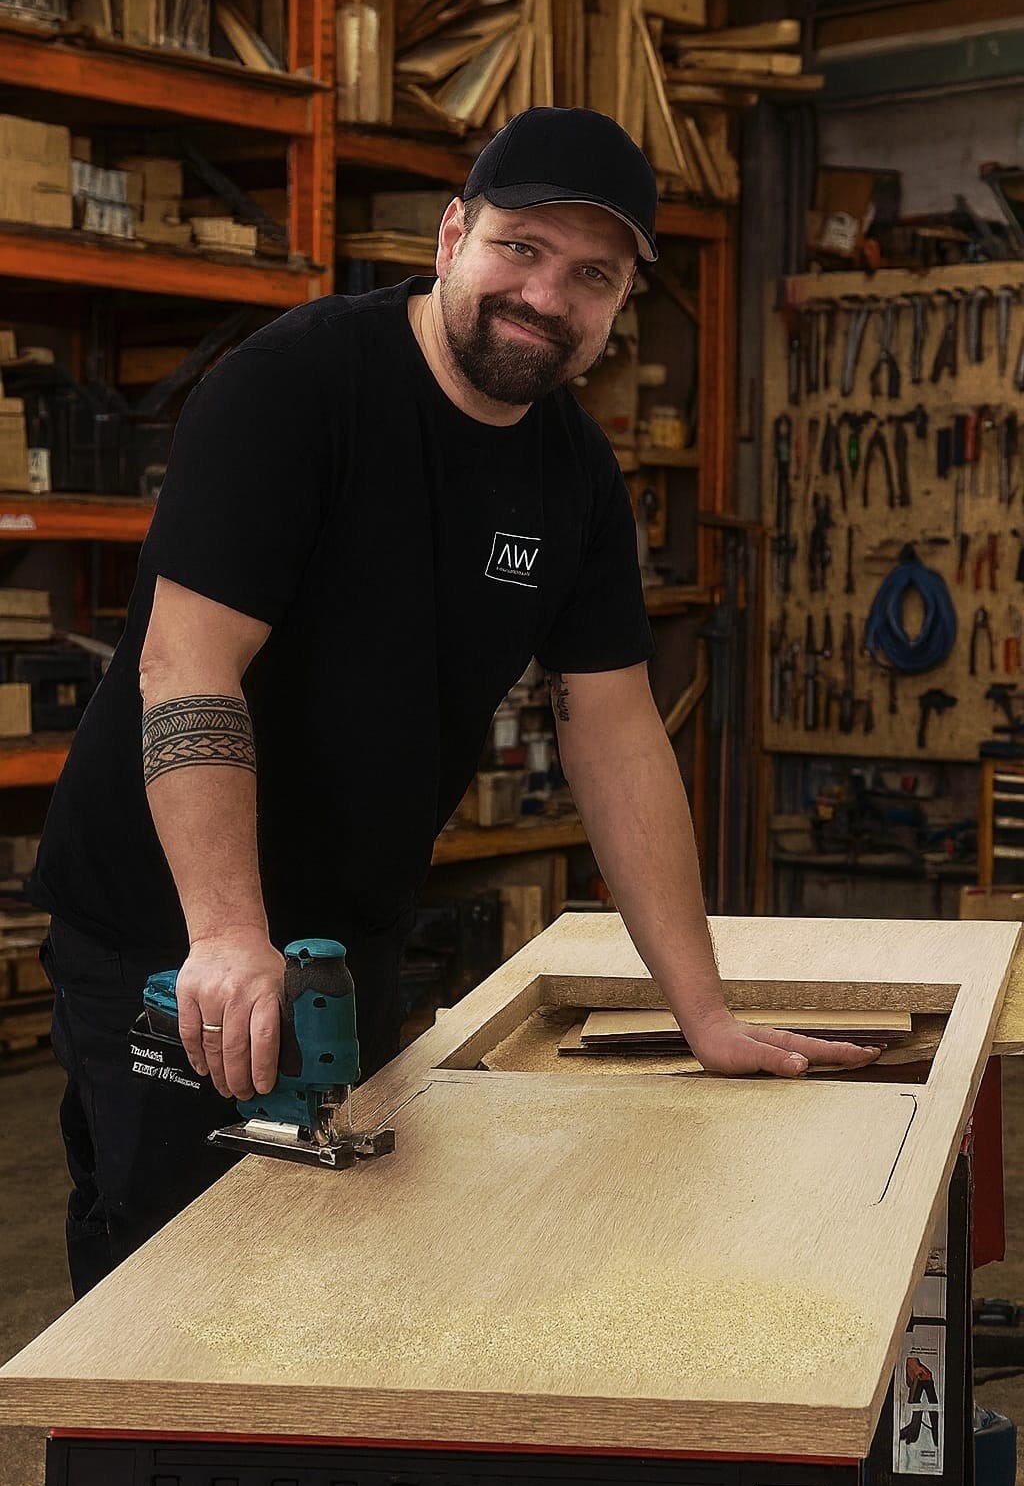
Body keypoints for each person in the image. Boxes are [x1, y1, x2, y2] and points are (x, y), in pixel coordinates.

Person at [29, 106, 881, 1300]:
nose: (546, 295)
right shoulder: (291, 390)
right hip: (169, 923)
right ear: (448, 237)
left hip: (349, 935)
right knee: (169, 1286)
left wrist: (703, 1013)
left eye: (590, 276)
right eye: (519, 248)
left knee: (333, 1274)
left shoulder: (575, 478)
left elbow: (619, 735)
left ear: (619, 304)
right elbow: (187, 665)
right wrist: (224, 933)